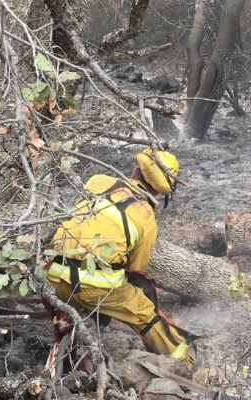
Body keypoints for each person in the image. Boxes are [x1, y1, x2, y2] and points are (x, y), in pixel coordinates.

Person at [44, 148, 196, 368]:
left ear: (136, 170)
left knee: (88, 297)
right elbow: (136, 271)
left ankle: (74, 347)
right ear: (161, 191)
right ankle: (184, 360)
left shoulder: (97, 181)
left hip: (52, 274)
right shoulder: (146, 217)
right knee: (142, 312)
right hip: (91, 287)